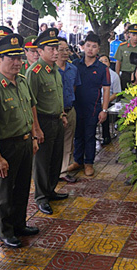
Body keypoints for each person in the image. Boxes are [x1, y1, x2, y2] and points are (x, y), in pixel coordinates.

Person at [0, 33, 40, 248]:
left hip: (25, 142)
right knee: (4, 191)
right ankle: (5, 231)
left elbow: (31, 107)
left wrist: (34, 135)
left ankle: (19, 224)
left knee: (23, 187)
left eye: (19, 57)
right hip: (5, 146)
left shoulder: (22, 81)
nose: (17, 62)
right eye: (11, 58)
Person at [26, 28, 69, 215]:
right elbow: (30, 102)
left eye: (56, 48)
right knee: (42, 162)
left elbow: (57, 97)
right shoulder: (34, 72)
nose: (55, 51)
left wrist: (62, 114)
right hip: (42, 121)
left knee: (55, 158)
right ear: (40, 51)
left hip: (57, 120)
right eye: (50, 48)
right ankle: (41, 197)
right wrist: (36, 128)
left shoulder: (55, 70)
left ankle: (51, 190)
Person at [67, 33, 110, 176]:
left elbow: (106, 89)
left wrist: (104, 109)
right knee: (77, 135)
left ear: (98, 49)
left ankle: (89, 163)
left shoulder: (102, 68)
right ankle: (77, 161)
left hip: (93, 108)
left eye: (94, 46)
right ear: (83, 46)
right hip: (76, 106)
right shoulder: (75, 65)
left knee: (90, 135)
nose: (90, 49)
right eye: (88, 45)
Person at [56, 37, 81, 183]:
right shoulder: (51, 70)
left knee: (68, 141)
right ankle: (52, 171)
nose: (65, 53)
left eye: (67, 49)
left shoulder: (73, 68)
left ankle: (63, 171)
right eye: (61, 50)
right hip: (55, 113)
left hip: (70, 109)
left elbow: (74, 88)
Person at [115, 24, 137, 90]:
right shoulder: (122, 46)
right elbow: (118, 62)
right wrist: (117, 76)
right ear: (129, 34)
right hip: (125, 75)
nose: (135, 37)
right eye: (133, 35)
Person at [98, 54, 121, 145]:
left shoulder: (114, 76)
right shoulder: (95, 73)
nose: (103, 63)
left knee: (105, 111)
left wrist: (105, 102)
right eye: (101, 61)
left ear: (109, 63)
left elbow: (116, 93)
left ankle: (106, 136)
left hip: (109, 101)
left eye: (105, 60)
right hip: (96, 101)